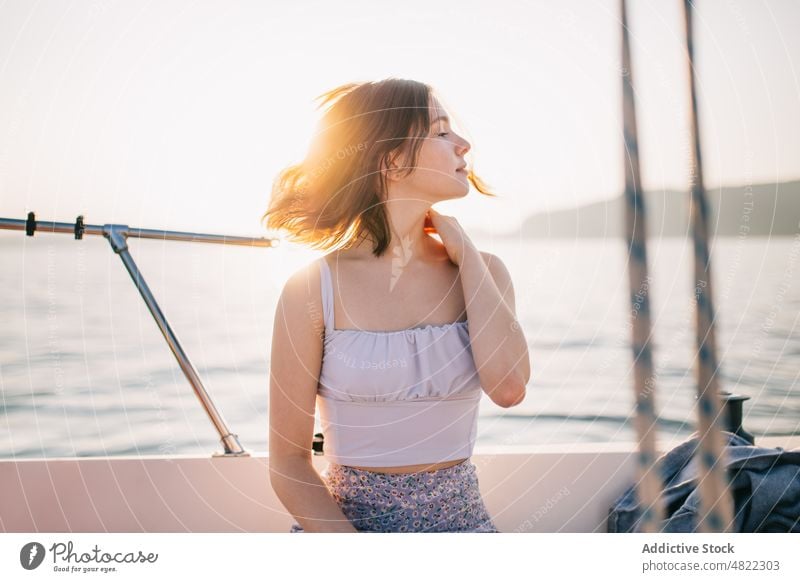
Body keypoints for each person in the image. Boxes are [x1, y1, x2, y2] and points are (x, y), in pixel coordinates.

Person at [264, 78, 531, 533]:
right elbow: (288, 464)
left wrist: (465, 254)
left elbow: (509, 389)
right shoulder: (311, 289)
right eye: (442, 132)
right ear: (390, 158)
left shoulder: (484, 272)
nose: (464, 145)